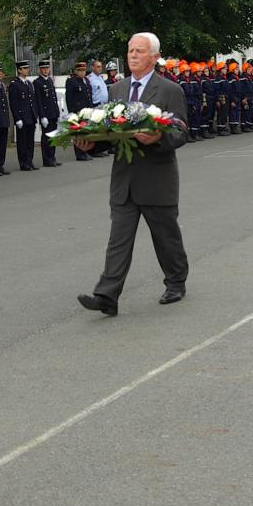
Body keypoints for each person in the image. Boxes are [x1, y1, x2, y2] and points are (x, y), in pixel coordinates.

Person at [77, 32, 189, 317]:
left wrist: (157, 140)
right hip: (124, 180)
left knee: (166, 236)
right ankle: (107, 296)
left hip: (157, 179)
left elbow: (180, 131)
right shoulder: (117, 90)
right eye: (130, 51)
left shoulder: (169, 90)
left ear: (154, 56)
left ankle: (176, 281)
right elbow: (111, 133)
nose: (133, 56)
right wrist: (92, 143)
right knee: (119, 239)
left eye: (140, 51)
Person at [8, 59, 39, 170]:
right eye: (25, 68)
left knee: (30, 141)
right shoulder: (15, 84)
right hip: (22, 117)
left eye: (27, 68)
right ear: (19, 70)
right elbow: (14, 103)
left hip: (30, 116)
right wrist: (17, 118)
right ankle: (23, 162)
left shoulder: (29, 83)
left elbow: (33, 101)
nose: (27, 70)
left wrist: (35, 114)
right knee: (22, 142)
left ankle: (29, 161)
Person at [33, 59, 62, 166]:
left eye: (47, 68)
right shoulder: (37, 82)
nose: (46, 70)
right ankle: (47, 159)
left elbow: (54, 99)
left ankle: (52, 157)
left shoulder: (49, 80)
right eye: (44, 68)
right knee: (46, 137)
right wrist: (42, 116)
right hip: (46, 114)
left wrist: (57, 113)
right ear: (40, 70)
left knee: (53, 136)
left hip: (53, 113)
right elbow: (39, 101)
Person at [64, 61, 93, 161]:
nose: (82, 72)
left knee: (85, 132)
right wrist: (71, 113)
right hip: (77, 111)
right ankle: (79, 153)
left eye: (83, 70)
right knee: (78, 133)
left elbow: (89, 97)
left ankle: (85, 151)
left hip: (86, 111)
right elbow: (69, 98)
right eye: (80, 70)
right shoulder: (71, 81)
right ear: (76, 71)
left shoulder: (86, 81)